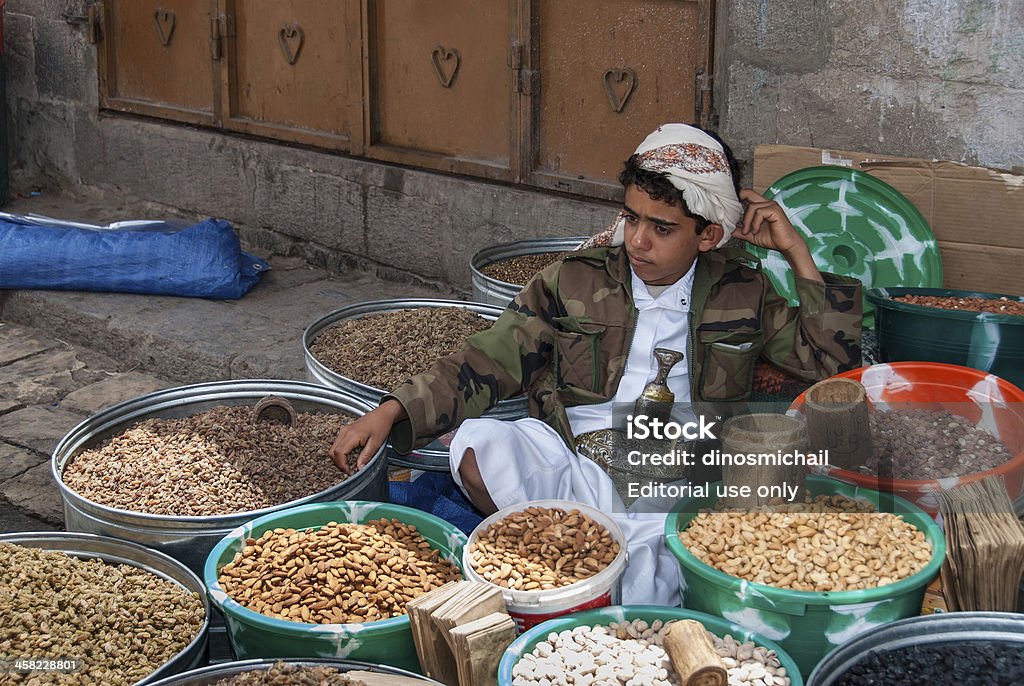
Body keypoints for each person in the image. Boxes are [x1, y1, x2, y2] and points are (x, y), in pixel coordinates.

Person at [330, 123, 862, 606]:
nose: (638, 240)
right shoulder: (577, 279)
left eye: (662, 228)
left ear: (708, 234)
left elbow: (830, 364)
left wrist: (795, 251)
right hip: (578, 465)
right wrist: (394, 410)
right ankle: (574, 558)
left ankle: (595, 577)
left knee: (649, 590)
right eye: (631, 218)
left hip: (677, 485)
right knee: (479, 447)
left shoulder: (742, 290)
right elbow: (489, 355)